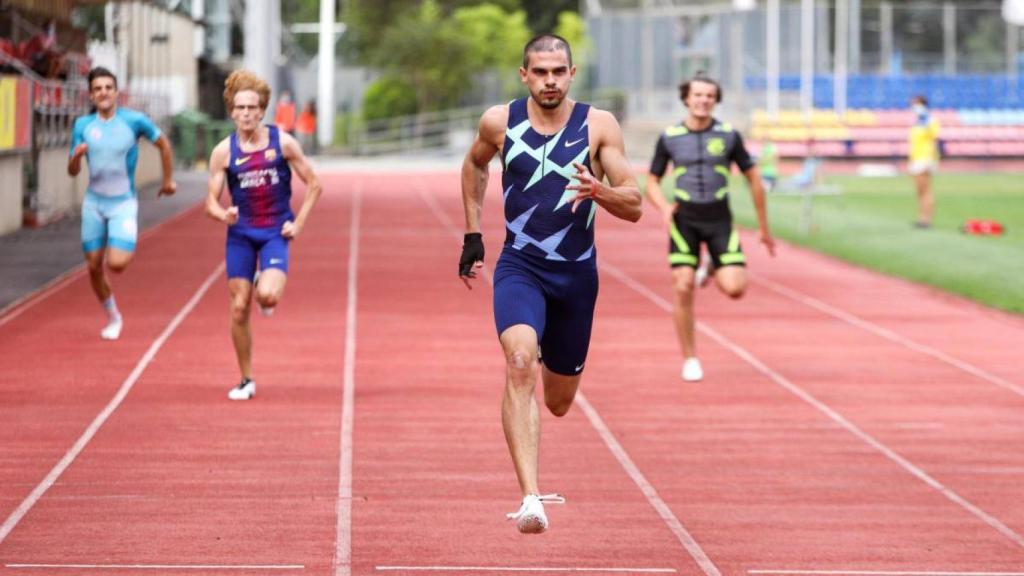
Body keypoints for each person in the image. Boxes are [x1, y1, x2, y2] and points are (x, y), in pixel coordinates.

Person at [459, 34, 642, 534]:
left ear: (572, 73)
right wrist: (473, 232)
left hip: (576, 277)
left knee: (558, 401)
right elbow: (475, 164)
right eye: (540, 72)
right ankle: (530, 498)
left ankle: (546, 358)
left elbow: (635, 203)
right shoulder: (500, 122)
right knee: (519, 361)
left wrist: (598, 189)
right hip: (520, 265)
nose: (549, 81)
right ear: (524, 75)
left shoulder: (598, 126)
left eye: (558, 71)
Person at [644, 73, 775, 382]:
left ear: (716, 100)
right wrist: (663, 207)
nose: (703, 100)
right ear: (686, 98)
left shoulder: (730, 136)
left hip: (719, 220)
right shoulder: (670, 137)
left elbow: (754, 178)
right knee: (683, 284)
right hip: (684, 220)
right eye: (698, 95)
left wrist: (763, 228)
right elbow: (651, 181)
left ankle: (713, 265)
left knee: (735, 289)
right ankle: (690, 358)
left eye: (709, 96)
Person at [205, 70, 322, 401]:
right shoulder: (222, 152)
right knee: (239, 307)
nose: (245, 114)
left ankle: (263, 284)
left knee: (268, 298)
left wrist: (297, 224)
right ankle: (246, 379)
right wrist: (221, 213)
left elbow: (315, 184)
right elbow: (210, 203)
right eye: (239, 108)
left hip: (274, 232)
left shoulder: (282, 143)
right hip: (240, 234)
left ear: (262, 110)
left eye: (252, 108)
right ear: (231, 111)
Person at [68, 66, 176, 340]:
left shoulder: (134, 121)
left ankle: (118, 238)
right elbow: (72, 171)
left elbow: (163, 144)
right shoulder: (83, 126)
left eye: (108, 87)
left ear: (116, 92)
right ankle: (113, 316)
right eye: (97, 89)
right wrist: (77, 156)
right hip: (94, 203)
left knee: (116, 264)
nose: (103, 92)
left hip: (122, 203)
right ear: (91, 95)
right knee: (93, 265)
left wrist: (168, 180)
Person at [908, 95, 939, 229]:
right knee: (919, 189)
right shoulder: (917, 122)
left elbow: (934, 137)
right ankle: (922, 217)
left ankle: (927, 218)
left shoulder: (930, 120)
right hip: (916, 157)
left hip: (926, 158)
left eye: (916, 104)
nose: (914, 107)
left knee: (926, 189)